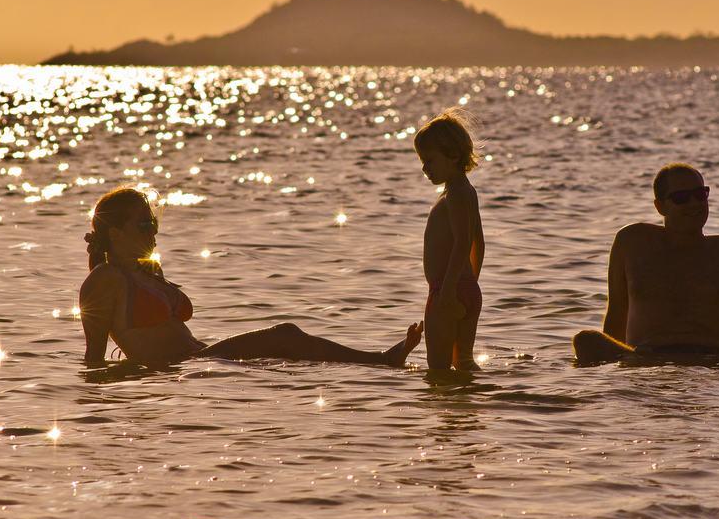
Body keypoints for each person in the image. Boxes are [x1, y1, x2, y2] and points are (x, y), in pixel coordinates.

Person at [78, 187, 421, 368]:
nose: (152, 230)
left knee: (288, 358)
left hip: (198, 362)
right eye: (142, 224)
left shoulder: (148, 269)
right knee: (285, 334)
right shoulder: (104, 280)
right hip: (185, 366)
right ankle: (379, 361)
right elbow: (93, 360)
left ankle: (374, 363)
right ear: (116, 233)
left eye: (153, 222)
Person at [572, 163, 719, 363]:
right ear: (660, 206)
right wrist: (611, 371)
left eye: (700, 194)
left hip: (717, 359)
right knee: (586, 340)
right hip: (649, 359)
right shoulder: (632, 242)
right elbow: (616, 318)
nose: (694, 203)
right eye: (681, 197)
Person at [414, 109, 485, 372]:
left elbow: (463, 242)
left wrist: (448, 291)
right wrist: (471, 284)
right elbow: (479, 242)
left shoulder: (454, 194)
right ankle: (468, 410)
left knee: (438, 368)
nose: (424, 168)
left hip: (447, 289)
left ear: (453, 156)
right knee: (464, 362)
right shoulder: (466, 192)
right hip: (465, 289)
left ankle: (450, 412)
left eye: (430, 161)